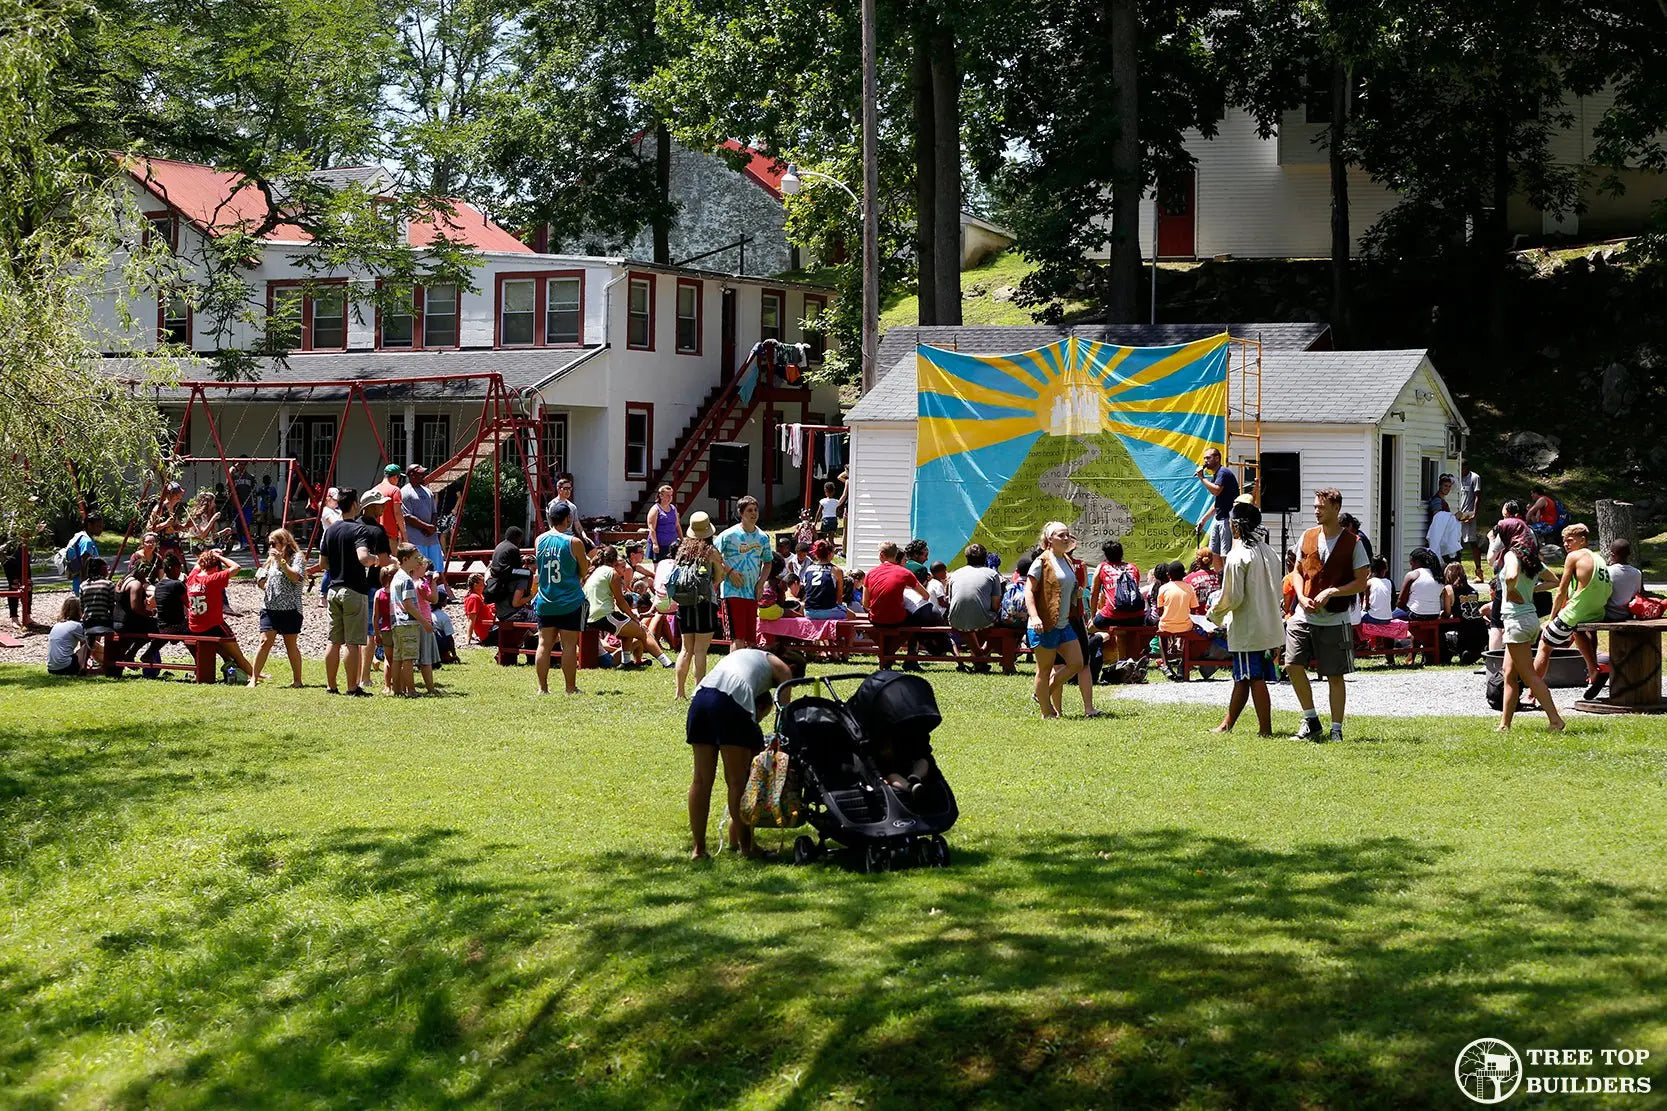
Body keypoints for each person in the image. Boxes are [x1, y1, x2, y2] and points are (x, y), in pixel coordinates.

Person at [686, 648, 799, 860]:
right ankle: (748, 848)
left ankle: (698, 849)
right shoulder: (783, 668)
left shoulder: (748, 655)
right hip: (729, 705)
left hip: (700, 699)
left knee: (701, 780)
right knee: (738, 781)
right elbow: (785, 714)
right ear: (793, 668)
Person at [1286, 487, 1370, 743]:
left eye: (1321, 507)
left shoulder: (1352, 543)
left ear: (1336, 508)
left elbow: (1361, 582)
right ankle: (1310, 720)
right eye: (1314, 506)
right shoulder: (1308, 536)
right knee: (1292, 665)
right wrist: (1300, 596)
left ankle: (1336, 729)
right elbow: (1298, 572)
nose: (1316, 511)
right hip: (1303, 615)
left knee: (1334, 675)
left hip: (1335, 618)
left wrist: (1333, 591)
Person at [1207, 501, 1284, 735]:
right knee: (1243, 678)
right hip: (1268, 624)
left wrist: (1214, 614)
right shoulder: (1270, 552)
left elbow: (1233, 596)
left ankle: (1265, 730)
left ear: (1236, 526)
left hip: (1247, 626)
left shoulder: (1238, 555)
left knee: (1253, 678)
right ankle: (1227, 724)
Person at [1495, 520, 1563, 732]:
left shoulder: (1511, 555)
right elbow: (1554, 581)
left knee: (1528, 675)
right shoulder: (1531, 558)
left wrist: (1512, 589)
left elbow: (1512, 575)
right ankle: (1504, 725)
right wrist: (1531, 589)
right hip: (1529, 619)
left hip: (1517, 620)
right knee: (1508, 673)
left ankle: (1555, 720)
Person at [1535, 522, 1612, 700]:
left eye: (1570, 540)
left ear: (1582, 540)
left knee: (1544, 645)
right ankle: (1593, 671)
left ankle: (1532, 693)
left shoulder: (1574, 557)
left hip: (1579, 610)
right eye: (1564, 541)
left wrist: (1551, 619)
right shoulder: (1599, 558)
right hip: (1597, 611)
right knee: (1578, 631)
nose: (1566, 544)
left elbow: (1561, 591)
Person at [320, 488, 385, 696]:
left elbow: (323, 563)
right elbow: (363, 557)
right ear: (356, 505)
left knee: (333, 641)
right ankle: (352, 687)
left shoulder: (330, 530)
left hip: (333, 589)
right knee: (353, 642)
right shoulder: (359, 530)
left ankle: (331, 686)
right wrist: (375, 560)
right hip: (354, 590)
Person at [1024, 522, 1086, 719]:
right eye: (1061, 535)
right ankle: (1046, 712)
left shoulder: (1066, 559)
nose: (1066, 538)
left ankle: (1042, 693)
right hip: (1044, 624)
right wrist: (1034, 617)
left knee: (1077, 663)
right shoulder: (1041, 562)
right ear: (1050, 539)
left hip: (1063, 622)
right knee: (1044, 669)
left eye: (1068, 535)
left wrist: (1076, 592)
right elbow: (1029, 592)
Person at [533, 502, 590, 696]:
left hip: (545, 600)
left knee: (544, 644)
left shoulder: (539, 540)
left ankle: (543, 688)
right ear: (568, 519)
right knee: (569, 645)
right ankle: (570, 688)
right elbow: (584, 570)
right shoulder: (574, 542)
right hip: (569, 601)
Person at [583, 545, 667, 668]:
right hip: (603, 615)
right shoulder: (612, 573)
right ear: (614, 560)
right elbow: (621, 602)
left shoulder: (596, 571)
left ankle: (626, 662)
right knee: (642, 631)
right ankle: (667, 663)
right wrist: (633, 616)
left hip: (589, 616)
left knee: (628, 630)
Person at [671, 511, 726, 699]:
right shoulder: (711, 552)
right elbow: (719, 576)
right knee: (700, 650)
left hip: (685, 603)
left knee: (686, 649)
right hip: (704, 603)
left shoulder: (682, 551)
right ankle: (698, 691)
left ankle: (679, 692)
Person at [186, 548, 257, 678]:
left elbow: (198, 565)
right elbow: (236, 567)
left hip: (195, 627)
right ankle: (254, 675)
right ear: (215, 567)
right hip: (212, 625)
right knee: (237, 653)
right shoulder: (212, 579)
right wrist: (219, 557)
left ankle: (244, 672)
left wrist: (208, 554)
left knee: (224, 651)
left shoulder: (191, 579)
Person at [249, 527, 307, 688]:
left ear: (285, 542)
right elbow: (261, 579)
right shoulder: (270, 560)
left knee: (290, 645)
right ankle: (254, 678)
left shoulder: (297, 558)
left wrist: (282, 562)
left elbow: (295, 577)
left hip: (290, 609)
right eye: (270, 544)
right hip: (269, 608)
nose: (271, 547)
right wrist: (262, 582)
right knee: (264, 642)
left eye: (274, 543)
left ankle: (297, 680)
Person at [865, 541, 936, 670]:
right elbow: (925, 595)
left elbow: (865, 603)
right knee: (913, 622)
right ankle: (896, 656)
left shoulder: (870, 573)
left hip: (876, 618)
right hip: (896, 618)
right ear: (896, 554)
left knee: (883, 624)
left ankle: (887, 656)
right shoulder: (905, 573)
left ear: (881, 555)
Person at [716, 496, 769, 647]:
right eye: (749, 510)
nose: (754, 513)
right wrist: (730, 571)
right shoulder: (729, 535)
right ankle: (735, 671)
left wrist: (760, 584)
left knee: (751, 640)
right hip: (732, 592)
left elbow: (768, 563)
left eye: (755, 510)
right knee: (738, 639)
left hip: (752, 592)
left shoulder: (763, 537)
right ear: (741, 513)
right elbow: (712, 554)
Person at [946, 543, 1002, 669]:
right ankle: (980, 656)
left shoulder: (955, 574)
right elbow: (995, 604)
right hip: (982, 619)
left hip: (955, 619)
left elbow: (951, 600)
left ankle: (978, 657)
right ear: (985, 557)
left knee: (968, 623)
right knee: (998, 623)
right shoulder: (992, 574)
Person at [1090, 540, 1145, 666]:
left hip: (1113, 614)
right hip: (1137, 615)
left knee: (1090, 627)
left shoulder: (1103, 567)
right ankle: (1126, 660)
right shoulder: (1132, 567)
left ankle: (1100, 658)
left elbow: (1094, 593)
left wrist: (1093, 616)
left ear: (1106, 555)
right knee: (1125, 629)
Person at [1156, 560, 1199, 674]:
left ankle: (1166, 664)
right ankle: (1183, 664)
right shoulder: (1190, 588)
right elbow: (1194, 609)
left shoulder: (1163, 588)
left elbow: (1160, 610)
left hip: (1167, 625)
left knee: (1162, 636)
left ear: (1168, 575)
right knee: (1189, 635)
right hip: (1185, 625)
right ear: (1184, 574)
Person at [1195, 447, 1240, 556]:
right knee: (1212, 553)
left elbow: (1216, 491)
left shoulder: (1223, 472)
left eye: (1208, 458)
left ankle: (1225, 573)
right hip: (1219, 518)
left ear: (1217, 458)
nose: (1205, 461)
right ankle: (1218, 573)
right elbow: (1218, 502)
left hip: (1227, 518)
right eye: (1204, 458)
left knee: (1225, 553)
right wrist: (1204, 520)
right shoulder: (1216, 475)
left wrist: (1202, 478)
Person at [401, 464, 443, 572]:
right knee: (420, 570)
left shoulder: (427, 491)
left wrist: (432, 527)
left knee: (436, 569)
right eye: (420, 474)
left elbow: (434, 512)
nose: (423, 476)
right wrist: (427, 527)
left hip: (432, 538)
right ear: (412, 475)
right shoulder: (405, 492)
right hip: (416, 539)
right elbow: (407, 517)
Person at [78, 557, 116, 668]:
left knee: (89, 638)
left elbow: (82, 606)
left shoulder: (83, 585)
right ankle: (110, 661)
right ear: (101, 569)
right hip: (104, 623)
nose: (108, 570)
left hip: (88, 623)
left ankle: (84, 664)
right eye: (106, 568)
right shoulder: (108, 584)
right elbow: (111, 606)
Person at [1395, 548, 1449, 620]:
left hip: (1415, 614)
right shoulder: (1438, 575)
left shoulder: (1413, 575)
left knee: (1388, 618)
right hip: (1434, 614)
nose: (1411, 567)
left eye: (1411, 563)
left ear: (1416, 561)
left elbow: (1401, 602)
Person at [801, 539, 847, 621]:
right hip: (828, 610)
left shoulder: (809, 569)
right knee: (853, 616)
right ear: (830, 554)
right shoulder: (836, 571)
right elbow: (839, 596)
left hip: (809, 611)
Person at [544, 474, 593, 549]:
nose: (568, 491)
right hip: (557, 538)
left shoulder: (572, 507)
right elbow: (551, 525)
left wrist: (584, 536)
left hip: (570, 537)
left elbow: (577, 525)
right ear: (559, 489)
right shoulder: (552, 505)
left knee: (592, 549)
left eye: (570, 488)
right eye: (565, 488)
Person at [46, 595, 89, 676]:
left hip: (51, 668)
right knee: (90, 642)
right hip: (66, 667)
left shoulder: (57, 625)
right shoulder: (76, 626)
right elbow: (87, 643)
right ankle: (104, 663)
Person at [61, 515, 102, 595]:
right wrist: (85, 587)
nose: (101, 529)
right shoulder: (87, 542)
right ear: (89, 525)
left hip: (79, 584)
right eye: (98, 526)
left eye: (102, 526)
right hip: (85, 585)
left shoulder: (82, 537)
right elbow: (85, 566)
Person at [1604, 538, 1642, 621]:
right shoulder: (1637, 573)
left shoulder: (1607, 571)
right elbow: (1636, 594)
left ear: (1612, 554)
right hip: (1628, 614)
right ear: (1629, 554)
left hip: (1608, 615)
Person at [1456, 464, 1484, 579]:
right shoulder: (1458, 477)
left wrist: (1474, 513)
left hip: (1469, 514)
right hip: (1458, 514)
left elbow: (1477, 496)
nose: (1461, 471)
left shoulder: (1474, 478)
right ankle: (1457, 573)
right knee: (1457, 543)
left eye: (1462, 468)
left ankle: (1479, 571)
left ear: (1467, 468)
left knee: (1472, 542)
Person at [372, 464, 407, 547]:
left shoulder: (374, 490)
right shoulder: (395, 490)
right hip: (390, 535)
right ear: (395, 477)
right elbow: (397, 513)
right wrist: (404, 534)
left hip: (375, 534)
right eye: (398, 478)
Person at [646, 484, 680, 561]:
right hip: (660, 544)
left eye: (671, 495)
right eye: (667, 495)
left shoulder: (673, 508)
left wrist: (682, 539)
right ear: (661, 496)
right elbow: (652, 528)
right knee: (658, 568)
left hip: (672, 544)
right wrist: (655, 544)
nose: (670, 498)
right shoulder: (655, 509)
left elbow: (677, 525)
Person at [462, 573, 494, 646]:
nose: (485, 585)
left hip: (491, 628)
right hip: (488, 633)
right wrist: (468, 639)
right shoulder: (473, 598)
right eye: (482, 583)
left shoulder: (479, 596)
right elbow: (471, 620)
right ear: (475, 585)